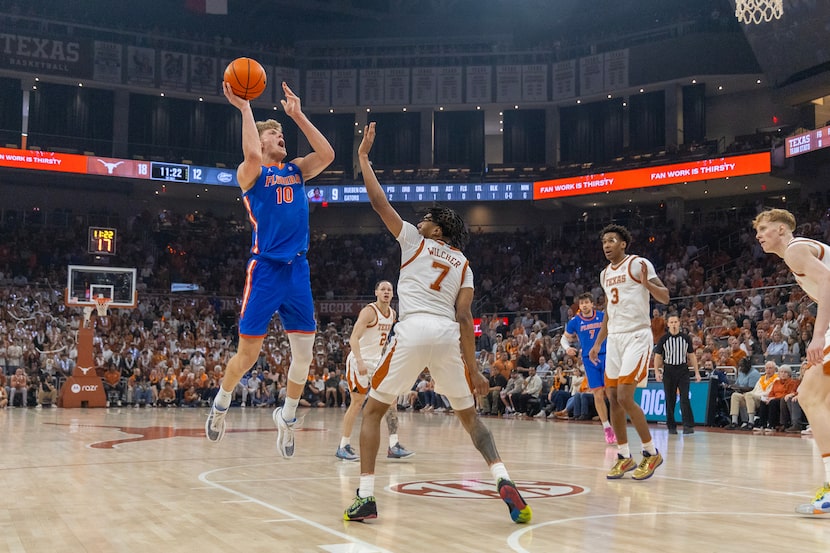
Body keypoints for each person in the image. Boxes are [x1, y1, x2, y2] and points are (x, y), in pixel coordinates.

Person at [344, 122, 531, 524]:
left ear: (437, 230)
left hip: (412, 330)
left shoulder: (414, 240)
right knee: (470, 418)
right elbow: (465, 318)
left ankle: (365, 496)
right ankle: (502, 477)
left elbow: (379, 203)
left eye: (427, 218)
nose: (421, 220)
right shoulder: (463, 263)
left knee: (373, 412)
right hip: (447, 333)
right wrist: (475, 369)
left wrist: (362, 158)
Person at [205, 80, 335, 459]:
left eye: (282, 133)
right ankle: (221, 404)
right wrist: (245, 108)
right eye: (275, 133)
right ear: (262, 142)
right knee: (246, 357)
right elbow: (248, 151)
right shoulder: (252, 174)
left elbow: (326, 153)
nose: (282, 137)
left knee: (305, 356)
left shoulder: (295, 170)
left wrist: (297, 115)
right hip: (265, 271)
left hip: (298, 271)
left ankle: (288, 416)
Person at [753, 208, 830, 515]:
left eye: (764, 228)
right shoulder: (798, 253)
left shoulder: (795, 250)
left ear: (782, 230)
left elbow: (828, 282)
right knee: (817, 398)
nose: (758, 235)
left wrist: (819, 335)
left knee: (811, 397)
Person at [589, 224, 669, 480]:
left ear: (623, 243)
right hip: (614, 338)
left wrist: (647, 284)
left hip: (637, 335)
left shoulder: (638, 264)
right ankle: (624, 456)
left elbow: (665, 297)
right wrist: (598, 342)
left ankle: (650, 452)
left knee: (624, 396)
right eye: (604, 241)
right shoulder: (604, 274)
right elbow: (609, 313)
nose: (607, 245)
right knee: (613, 397)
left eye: (611, 240)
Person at [336, 281, 414, 462]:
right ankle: (343, 446)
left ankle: (394, 445)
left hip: (377, 362)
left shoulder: (392, 314)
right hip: (359, 361)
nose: (386, 292)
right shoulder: (369, 312)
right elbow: (353, 338)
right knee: (357, 403)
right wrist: (361, 361)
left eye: (389, 289)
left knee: (391, 400)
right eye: (383, 289)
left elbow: (381, 340)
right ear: (376, 292)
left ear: (392, 294)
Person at [562, 292, 616, 444]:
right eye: (581, 303)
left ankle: (616, 424)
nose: (584, 305)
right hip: (588, 359)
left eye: (587, 302)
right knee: (598, 394)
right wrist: (567, 348)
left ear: (592, 304)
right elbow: (564, 338)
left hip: (606, 355)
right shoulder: (575, 321)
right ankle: (607, 428)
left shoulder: (603, 316)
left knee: (611, 393)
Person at [653, 314, 701, 435]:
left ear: (679, 323)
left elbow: (691, 356)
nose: (674, 324)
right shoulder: (663, 339)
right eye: (671, 322)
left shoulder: (686, 338)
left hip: (683, 370)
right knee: (670, 399)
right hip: (668, 370)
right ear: (668, 324)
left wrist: (696, 372)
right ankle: (671, 426)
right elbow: (658, 356)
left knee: (685, 397)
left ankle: (688, 425)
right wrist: (657, 371)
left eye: (675, 322)